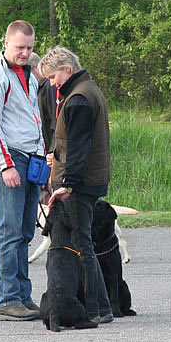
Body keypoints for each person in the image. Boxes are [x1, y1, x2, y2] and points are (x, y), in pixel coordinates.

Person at [0, 20, 45, 321]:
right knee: (10, 230)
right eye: (19, 47)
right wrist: (6, 166)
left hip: (31, 157)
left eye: (29, 48)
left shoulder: (29, 75)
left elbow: (34, 119)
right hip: (10, 158)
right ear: (6, 42)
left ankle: (23, 296)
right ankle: (7, 298)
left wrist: (42, 160)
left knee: (27, 230)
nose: (25, 53)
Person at [38, 46, 113, 325]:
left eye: (54, 77)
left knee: (83, 245)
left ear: (67, 70)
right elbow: (74, 142)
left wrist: (67, 183)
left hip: (80, 183)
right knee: (85, 243)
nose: (53, 83)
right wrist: (55, 156)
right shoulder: (86, 90)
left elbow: (81, 146)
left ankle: (93, 309)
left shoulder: (79, 98)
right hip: (88, 179)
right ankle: (103, 306)